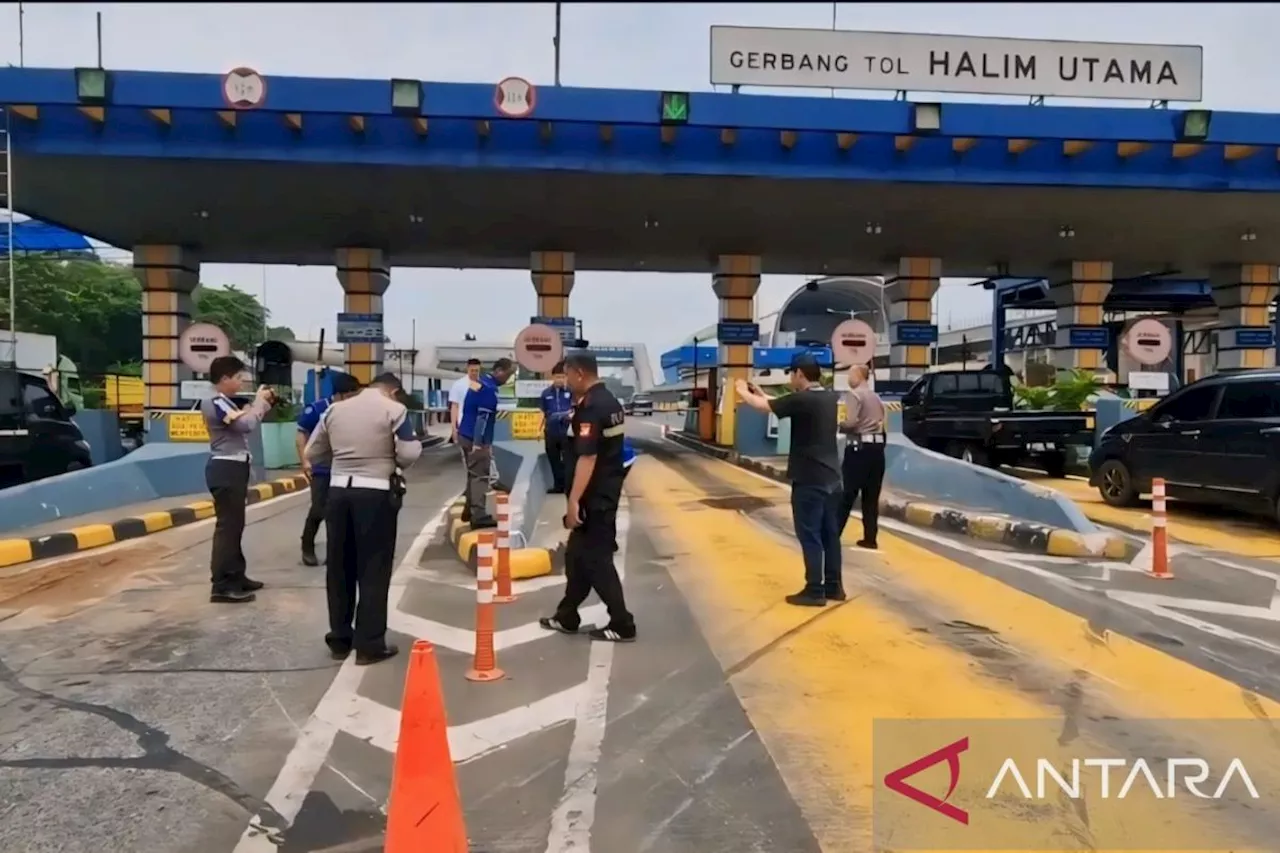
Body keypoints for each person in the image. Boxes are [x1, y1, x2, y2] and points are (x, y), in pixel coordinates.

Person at [305, 372, 422, 665]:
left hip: (338, 494)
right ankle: (369, 644)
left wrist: (344, 459)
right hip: (375, 494)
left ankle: (340, 638)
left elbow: (313, 451)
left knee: (340, 567)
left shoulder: (334, 410)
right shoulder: (393, 409)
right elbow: (409, 452)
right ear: (393, 391)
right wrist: (389, 462)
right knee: (373, 567)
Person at [539, 351, 637, 642]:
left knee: (596, 561)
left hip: (594, 499)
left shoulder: (592, 407)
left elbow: (587, 458)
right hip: (602, 493)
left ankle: (622, 623)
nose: (565, 381)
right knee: (576, 558)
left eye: (567, 374)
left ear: (579, 373)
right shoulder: (609, 402)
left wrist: (573, 502)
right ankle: (567, 615)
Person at [735, 355, 843, 607]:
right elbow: (780, 404)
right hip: (833, 478)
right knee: (830, 535)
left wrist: (742, 391)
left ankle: (814, 590)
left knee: (810, 534)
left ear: (800, 374)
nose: (790, 378)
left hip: (809, 478)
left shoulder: (802, 399)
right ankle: (833, 586)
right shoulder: (828, 397)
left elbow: (764, 407)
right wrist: (761, 392)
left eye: (791, 374)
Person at [202, 355, 275, 604]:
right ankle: (221, 586)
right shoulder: (216, 402)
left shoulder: (226, 402)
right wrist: (258, 404)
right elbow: (246, 426)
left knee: (236, 526)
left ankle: (237, 575)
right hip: (226, 467)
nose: (242, 382)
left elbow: (246, 420)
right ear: (224, 379)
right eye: (238, 378)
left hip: (233, 467)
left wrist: (257, 407)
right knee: (228, 528)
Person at [295, 371, 362, 566]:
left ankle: (336, 552)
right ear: (341, 394)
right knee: (318, 509)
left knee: (340, 512)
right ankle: (307, 546)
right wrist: (305, 461)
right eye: (351, 396)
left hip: (345, 468)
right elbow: (301, 435)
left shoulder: (354, 412)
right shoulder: (317, 410)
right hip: (322, 468)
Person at [457, 357, 516, 530]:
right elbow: (482, 418)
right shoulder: (489, 390)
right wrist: (479, 443)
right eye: (508, 374)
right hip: (476, 439)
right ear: (499, 371)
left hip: (464, 434)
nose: (509, 378)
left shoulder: (479, 383)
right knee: (480, 476)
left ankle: (469, 509)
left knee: (472, 474)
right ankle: (478, 515)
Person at [838, 364, 888, 550]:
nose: (849, 378)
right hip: (877, 450)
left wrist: (839, 426)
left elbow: (851, 422)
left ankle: (833, 533)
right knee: (871, 496)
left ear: (859, 375)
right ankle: (870, 538)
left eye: (850, 374)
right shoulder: (876, 397)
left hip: (858, 448)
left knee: (847, 494)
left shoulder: (854, 395)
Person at [449, 358, 482, 521]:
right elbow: (454, 406)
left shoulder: (483, 385)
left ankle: (470, 501)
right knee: (472, 468)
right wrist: (453, 428)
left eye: (477, 370)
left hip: (480, 432)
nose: (475, 373)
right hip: (465, 431)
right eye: (472, 370)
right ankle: (471, 504)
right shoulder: (459, 385)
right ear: (467, 369)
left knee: (476, 470)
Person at [539, 361, 574, 494]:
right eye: (557, 377)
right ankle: (558, 486)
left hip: (567, 432)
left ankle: (568, 486)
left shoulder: (571, 392)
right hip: (551, 432)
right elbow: (542, 412)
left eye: (562, 377)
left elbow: (574, 409)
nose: (559, 379)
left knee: (567, 460)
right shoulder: (545, 394)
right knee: (553, 460)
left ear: (566, 378)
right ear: (552, 378)